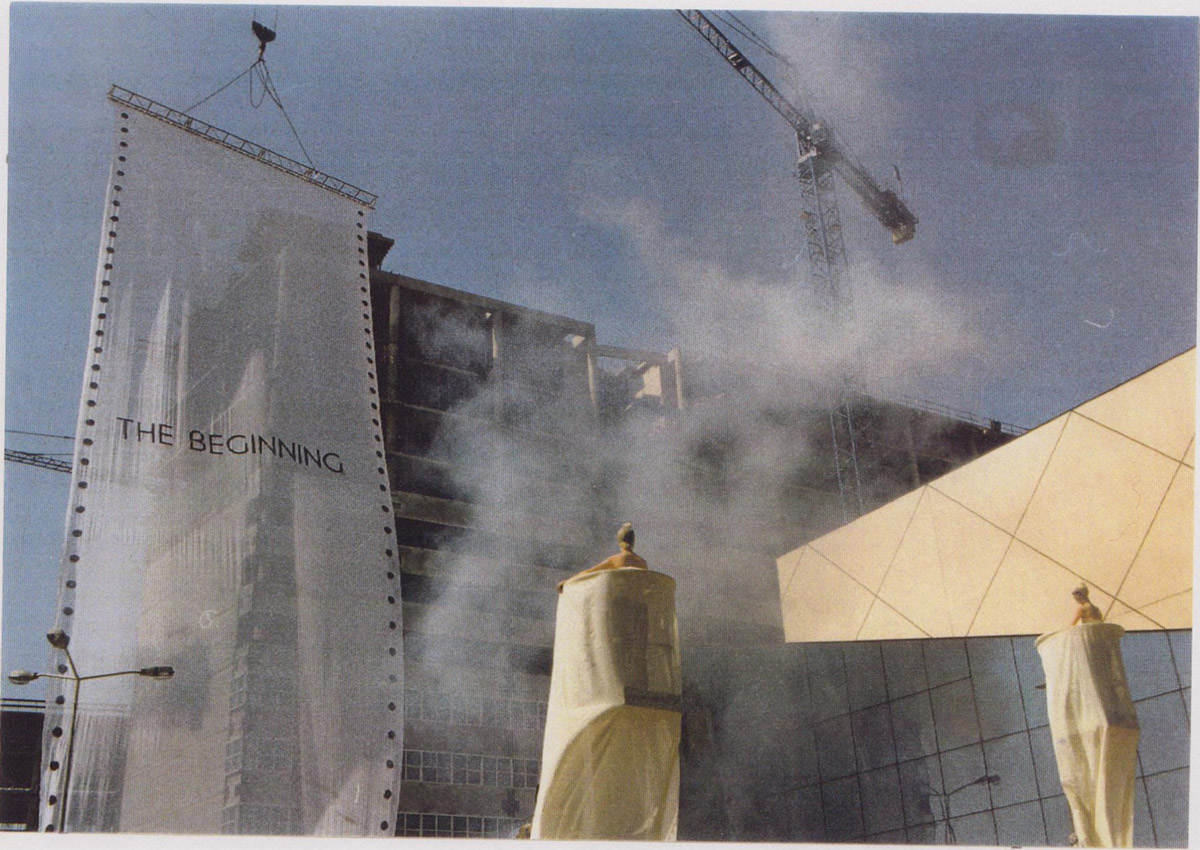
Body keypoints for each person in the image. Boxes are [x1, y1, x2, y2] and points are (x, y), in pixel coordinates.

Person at [557, 523, 647, 592]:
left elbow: (589, 573)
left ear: (619, 541)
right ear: (633, 542)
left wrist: (568, 582)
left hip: (619, 606)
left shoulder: (616, 560)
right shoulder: (642, 563)